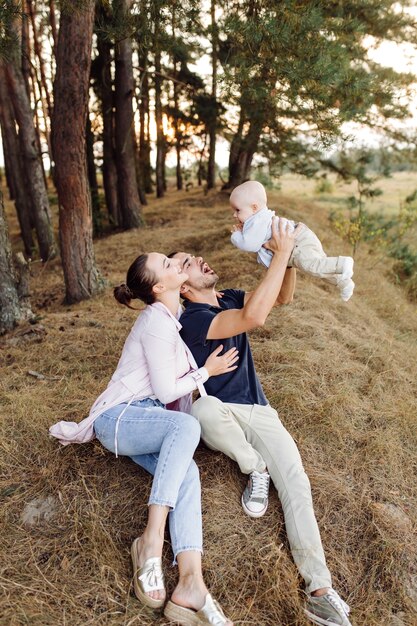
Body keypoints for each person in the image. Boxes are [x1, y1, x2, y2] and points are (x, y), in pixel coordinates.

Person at [170, 219, 352, 626]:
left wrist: (283, 260)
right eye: (187, 263)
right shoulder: (193, 319)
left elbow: (279, 299)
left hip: (259, 408)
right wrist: (282, 253)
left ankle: (320, 590)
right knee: (202, 412)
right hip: (222, 409)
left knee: (298, 484)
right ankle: (255, 468)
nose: (199, 259)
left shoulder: (228, 296)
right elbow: (254, 318)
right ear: (182, 286)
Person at [49, 252, 238, 626]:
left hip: (150, 420)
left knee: (189, 474)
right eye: (167, 265)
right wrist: (206, 371)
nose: (174, 263)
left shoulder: (173, 319)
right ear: (159, 287)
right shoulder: (155, 321)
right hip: (119, 418)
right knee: (186, 428)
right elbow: (168, 387)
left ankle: (191, 584)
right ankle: (150, 541)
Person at [230, 180, 355, 302]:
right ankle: (344, 282)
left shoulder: (257, 221)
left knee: (312, 266)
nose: (234, 215)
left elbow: (249, 245)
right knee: (320, 268)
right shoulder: (257, 219)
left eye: (238, 210)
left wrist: (236, 235)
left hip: (298, 241)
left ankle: (344, 263)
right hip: (298, 240)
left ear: (254, 208)